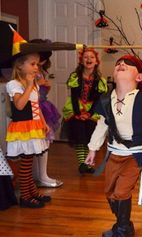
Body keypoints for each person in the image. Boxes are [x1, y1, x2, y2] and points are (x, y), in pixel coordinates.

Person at [85, 54, 142, 237]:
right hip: (113, 154)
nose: (121, 64)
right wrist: (92, 149)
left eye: (127, 65)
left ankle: (122, 230)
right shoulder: (106, 100)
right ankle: (125, 225)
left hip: (135, 156)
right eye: (118, 64)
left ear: (139, 77)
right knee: (110, 192)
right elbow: (101, 126)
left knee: (121, 191)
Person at [6, 52, 51, 208]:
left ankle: (32, 191)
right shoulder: (14, 84)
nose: (36, 67)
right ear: (20, 65)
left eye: (37, 64)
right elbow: (19, 105)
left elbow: (36, 107)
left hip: (34, 126)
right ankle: (25, 196)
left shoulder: (34, 85)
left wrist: (44, 123)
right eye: (32, 64)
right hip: (22, 128)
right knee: (25, 163)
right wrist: (30, 85)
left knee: (29, 161)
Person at [62, 48, 107, 174]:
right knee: (80, 137)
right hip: (76, 108)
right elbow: (74, 96)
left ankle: (86, 164)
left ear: (96, 61)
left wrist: (90, 113)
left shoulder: (100, 80)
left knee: (89, 137)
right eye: (85, 57)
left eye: (92, 57)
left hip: (92, 110)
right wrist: (78, 113)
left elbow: (98, 100)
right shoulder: (75, 77)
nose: (88, 59)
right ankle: (82, 163)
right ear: (81, 61)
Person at [30, 39, 63, 188]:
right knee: (40, 142)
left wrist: (45, 87)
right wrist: (38, 84)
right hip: (36, 109)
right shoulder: (30, 72)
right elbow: (30, 92)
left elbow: (41, 92)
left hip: (43, 106)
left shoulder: (41, 71)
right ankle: (40, 176)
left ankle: (40, 175)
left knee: (44, 143)